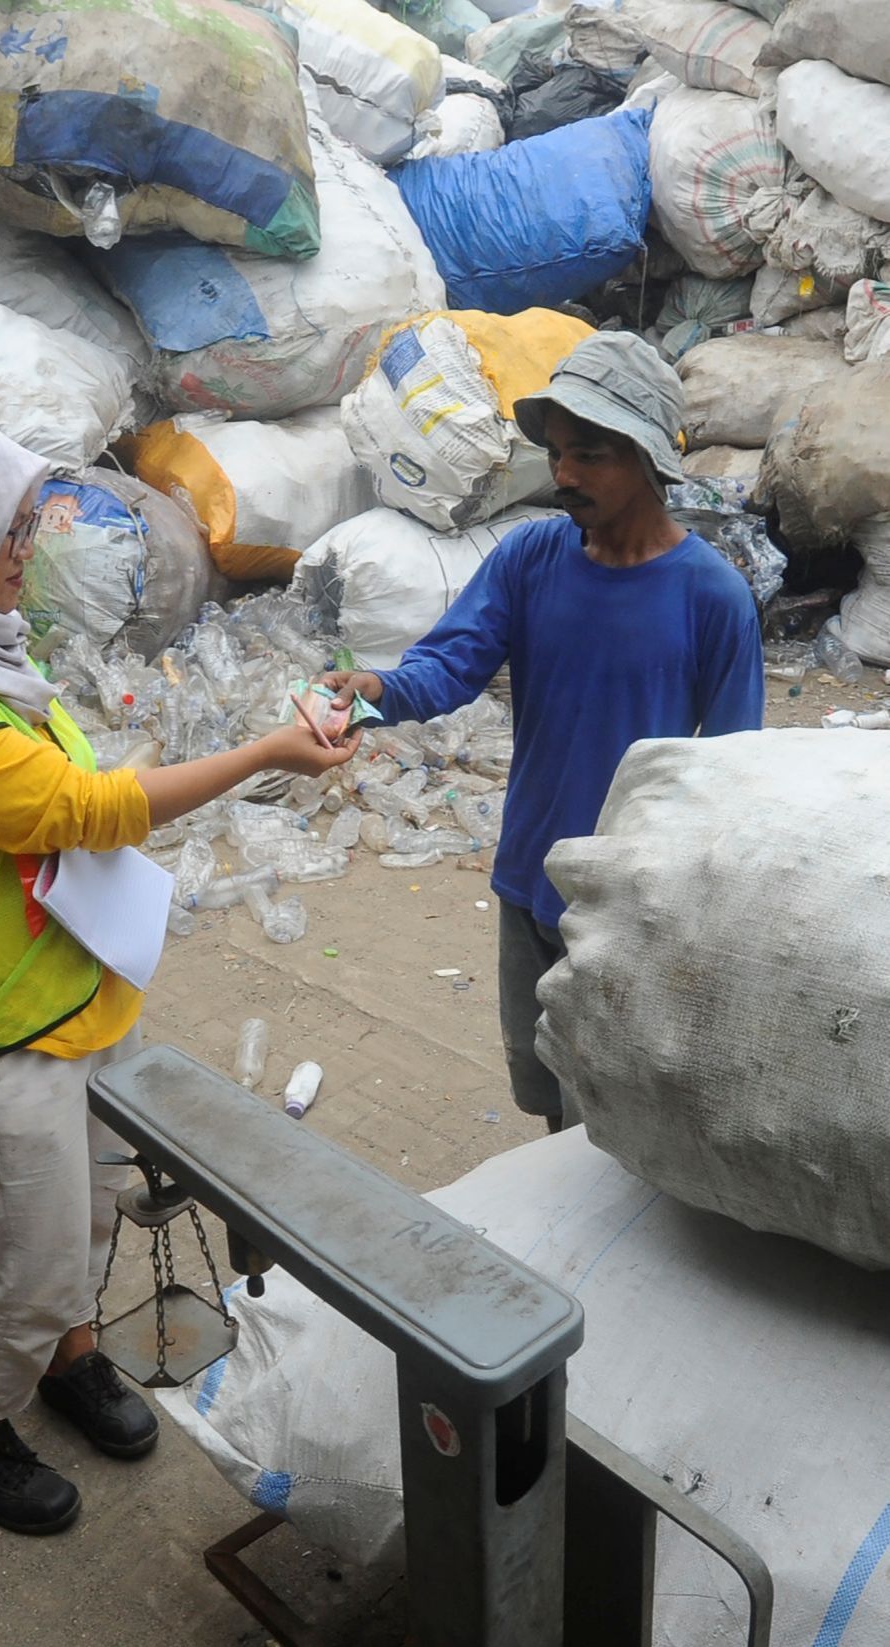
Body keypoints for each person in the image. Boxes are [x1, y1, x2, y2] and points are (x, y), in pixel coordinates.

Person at [0, 411, 358, 1535]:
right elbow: (80, 810)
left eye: (24, 521)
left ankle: (70, 1354)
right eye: (4, 529)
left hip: (77, 996)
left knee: (86, 1218)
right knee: (30, 1257)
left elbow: (76, 790)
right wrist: (264, 753)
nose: (27, 548)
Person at [325, 332, 764, 1131]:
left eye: (587, 453)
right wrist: (373, 692)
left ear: (644, 457)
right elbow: (450, 666)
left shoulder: (712, 597)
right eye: (558, 452)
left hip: (628, 902)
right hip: (530, 881)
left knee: (620, 1110)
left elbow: (732, 777)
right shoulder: (531, 556)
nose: (562, 474)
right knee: (550, 1102)